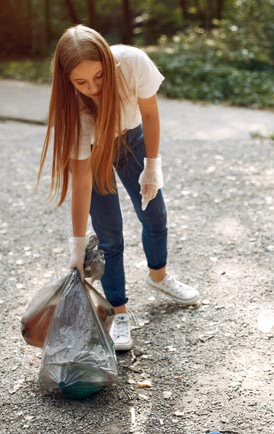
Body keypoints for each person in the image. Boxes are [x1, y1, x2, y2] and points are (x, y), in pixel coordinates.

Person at [37, 25, 199, 351]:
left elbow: (150, 112)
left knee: (155, 214)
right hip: (97, 149)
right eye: (80, 82)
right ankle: (119, 311)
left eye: (98, 76)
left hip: (133, 139)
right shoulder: (75, 112)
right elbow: (81, 180)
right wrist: (76, 247)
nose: (92, 87)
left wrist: (152, 166)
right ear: (67, 80)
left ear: (108, 64)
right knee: (110, 236)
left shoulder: (132, 63)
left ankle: (159, 276)